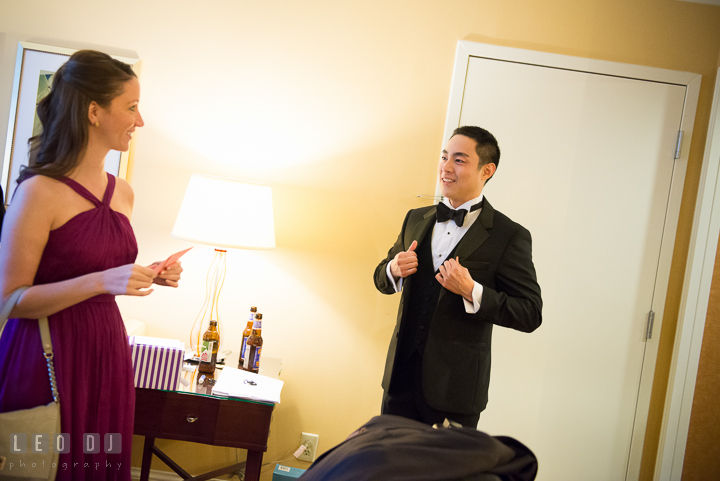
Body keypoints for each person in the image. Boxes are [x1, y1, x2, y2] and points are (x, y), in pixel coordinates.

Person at [0, 50, 182, 480]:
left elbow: (101, 266)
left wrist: (150, 272)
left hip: (106, 354)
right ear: (94, 112)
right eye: (132, 107)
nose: (140, 122)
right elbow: (10, 299)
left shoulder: (123, 193)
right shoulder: (38, 192)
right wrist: (103, 280)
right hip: (48, 354)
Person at [374, 126, 542, 427]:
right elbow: (381, 278)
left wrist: (473, 290)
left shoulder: (509, 235)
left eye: (460, 160)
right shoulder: (415, 218)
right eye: (444, 157)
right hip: (398, 382)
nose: (446, 168)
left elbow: (530, 313)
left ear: (486, 170)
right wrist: (392, 269)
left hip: (455, 392)